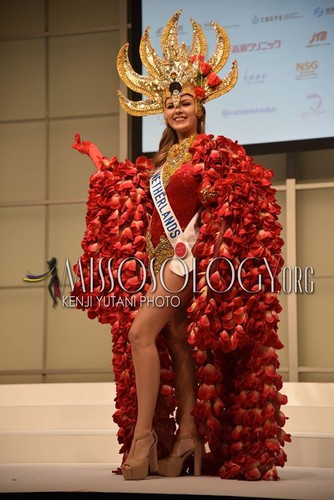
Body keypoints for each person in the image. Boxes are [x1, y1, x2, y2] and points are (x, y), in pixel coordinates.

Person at [71, 11, 290, 482]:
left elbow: (241, 191)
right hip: (157, 260)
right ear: (163, 112)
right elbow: (132, 189)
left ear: (200, 107)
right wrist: (97, 159)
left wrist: (220, 193)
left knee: (139, 333)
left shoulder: (214, 150)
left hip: (188, 260)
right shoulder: (163, 158)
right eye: (171, 105)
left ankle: (145, 436)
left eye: (186, 101)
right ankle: (189, 433)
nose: (178, 109)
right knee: (176, 342)